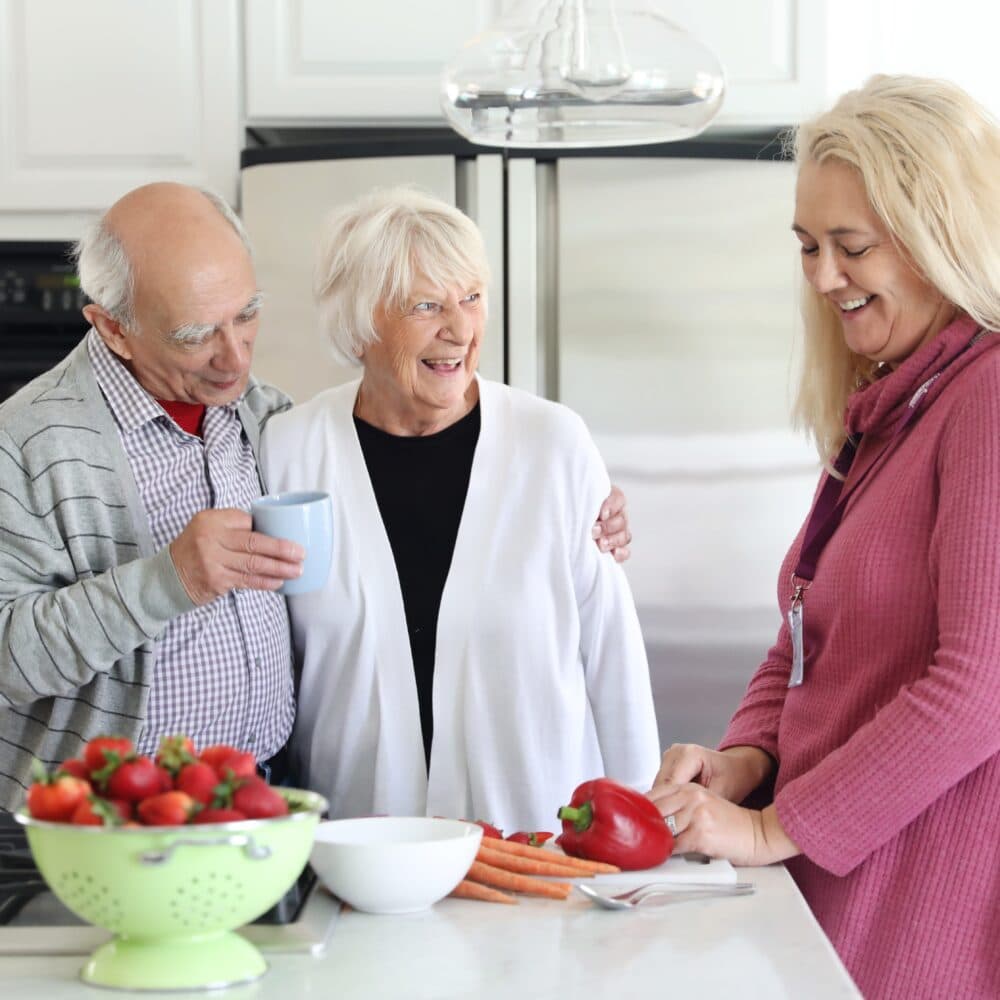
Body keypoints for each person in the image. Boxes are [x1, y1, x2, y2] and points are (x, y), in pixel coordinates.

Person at [0, 182, 631, 812]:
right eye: (197, 335)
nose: (234, 360)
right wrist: (171, 579)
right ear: (113, 327)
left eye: (246, 314)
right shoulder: (26, 445)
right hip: (105, 820)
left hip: (265, 808)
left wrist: (584, 505)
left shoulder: (257, 419)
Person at [647, 75, 1000, 999]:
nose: (823, 277)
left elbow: (979, 688)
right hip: (832, 887)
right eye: (808, 246)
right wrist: (745, 761)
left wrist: (772, 827)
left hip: (921, 902)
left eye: (851, 247)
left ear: (941, 241)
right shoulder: (890, 406)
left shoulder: (990, 397)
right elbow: (803, 633)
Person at [260, 187, 659, 832]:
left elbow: (612, 648)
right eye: (426, 305)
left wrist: (642, 819)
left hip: (538, 844)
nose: (460, 329)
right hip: (360, 853)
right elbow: (266, 648)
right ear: (360, 326)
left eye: (471, 298)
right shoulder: (290, 450)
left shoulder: (552, 443)